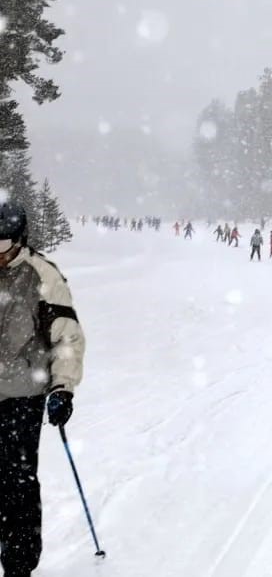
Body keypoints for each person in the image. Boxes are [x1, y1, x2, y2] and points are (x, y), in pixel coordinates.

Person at [0, 202, 86, 577]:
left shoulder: (42, 275)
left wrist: (62, 387)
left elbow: (67, 337)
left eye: (2, 242)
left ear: (18, 240)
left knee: (16, 481)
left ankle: (18, 565)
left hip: (22, 395)